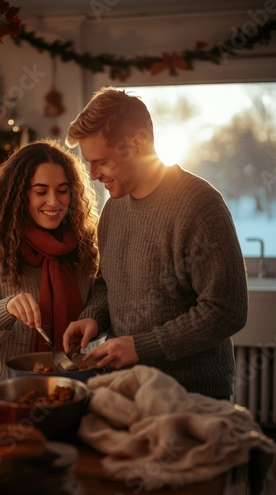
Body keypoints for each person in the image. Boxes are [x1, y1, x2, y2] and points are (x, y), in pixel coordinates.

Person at [63, 86, 248, 399]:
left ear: (138, 143)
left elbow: (227, 310)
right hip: (128, 391)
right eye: (89, 163)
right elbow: (109, 282)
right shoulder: (113, 207)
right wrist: (92, 316)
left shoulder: (200, 206)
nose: (93, 175)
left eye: (102, 162)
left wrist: (141, 347)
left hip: (193, 398)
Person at [0, 138, 100, 379]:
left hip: (81, 381)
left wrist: (91, 317)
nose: (54, 202)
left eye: (62, 190)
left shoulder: (84, 241)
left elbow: (101, 293)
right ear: (19, 194)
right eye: (41, 191)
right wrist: (6, 309)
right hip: (17, 391)